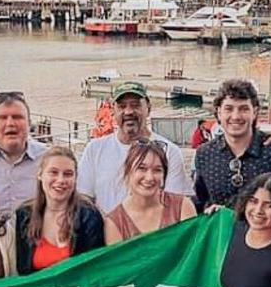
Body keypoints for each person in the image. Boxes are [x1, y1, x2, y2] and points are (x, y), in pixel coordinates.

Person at [76, 81, 191, 213]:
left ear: (148, 108)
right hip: (105, 230)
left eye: (135, 105)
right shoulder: (94, 149)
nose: (128, 112)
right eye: (122, 106)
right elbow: (84, 196)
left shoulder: (170, 152)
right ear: (113, 111)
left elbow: (174, 203)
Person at [195, 78, 271, 211]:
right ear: (219, 113)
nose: (236, 116)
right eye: (229, 109)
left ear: (254, 112)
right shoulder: (205, 154)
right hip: (222, 230)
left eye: (243, 109)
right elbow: (201, 200)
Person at [14, 146, 104, 274]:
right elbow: (22, 271)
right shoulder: (24, 215)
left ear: (75, 178)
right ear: (40, 175)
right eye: (53, 172)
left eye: (68, 174)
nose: (61, 180)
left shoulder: (89, 216)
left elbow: (94, 269)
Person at [104, 139, 197, 244]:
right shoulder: (115, 223)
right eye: (142, 168)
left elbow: (194, 251)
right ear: (128, 172)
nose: (149, 177)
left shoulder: (182, 207)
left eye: (157, 170)